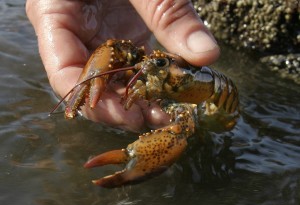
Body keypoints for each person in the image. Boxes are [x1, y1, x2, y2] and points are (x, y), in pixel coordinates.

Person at [26, 0, 220, 132]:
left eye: (159, 64)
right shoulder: (148, 66)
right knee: (115, 47)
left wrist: (171, 15)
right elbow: (114, 48)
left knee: (179, 130)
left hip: (217, 96)